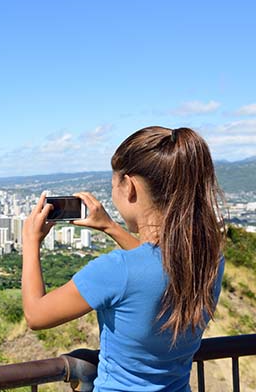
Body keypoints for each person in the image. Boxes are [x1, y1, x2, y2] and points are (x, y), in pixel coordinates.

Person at [22, 126, 225, 391]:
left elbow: (36, 315)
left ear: (129, 187)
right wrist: (110, 227)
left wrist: (30, 242)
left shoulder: (116, 271)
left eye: (114, 184)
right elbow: (155, 264)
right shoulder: (209, 262)